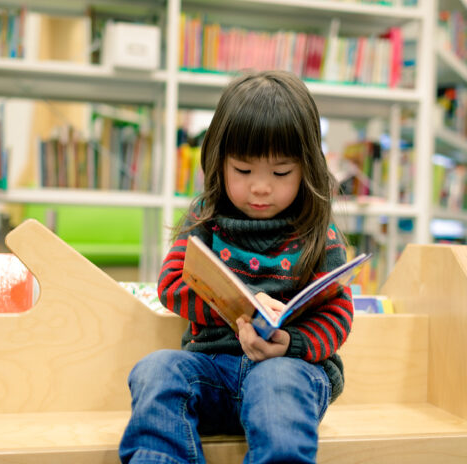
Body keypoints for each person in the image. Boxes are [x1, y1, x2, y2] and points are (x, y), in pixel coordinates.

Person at [119, 70, 353, 464]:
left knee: (276, 383)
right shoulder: (204, 217)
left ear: (307, 167)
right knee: (156, 369)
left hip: (289, 374)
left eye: (281, 173)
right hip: (211, 369)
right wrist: (239, 305)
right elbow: (172, 285)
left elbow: (337, 314)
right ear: (219, 161)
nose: (261, 187)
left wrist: (291, 343)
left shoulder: (317, 231)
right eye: (243, 171)